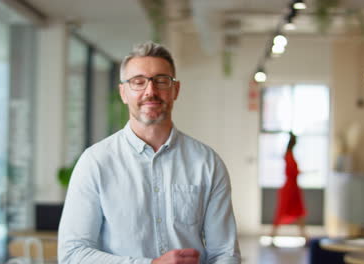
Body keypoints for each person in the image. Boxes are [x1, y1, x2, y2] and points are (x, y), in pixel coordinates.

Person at [58, 41, 241, 264]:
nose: (151, 91)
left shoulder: (207, 163)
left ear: (176, 90)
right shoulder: (95, 162)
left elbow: (225, 253)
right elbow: (72, 254)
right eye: (138, 82)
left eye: (161, 81)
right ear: (123, 92)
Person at [269, 132, 307, 241]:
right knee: (282, 211)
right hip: (290, 189)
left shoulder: (290, 155)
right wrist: (299, 172)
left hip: (293, 188)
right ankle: (272, 235)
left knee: (299, 213)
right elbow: (291, 172)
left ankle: (304, 236)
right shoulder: (289, 155)